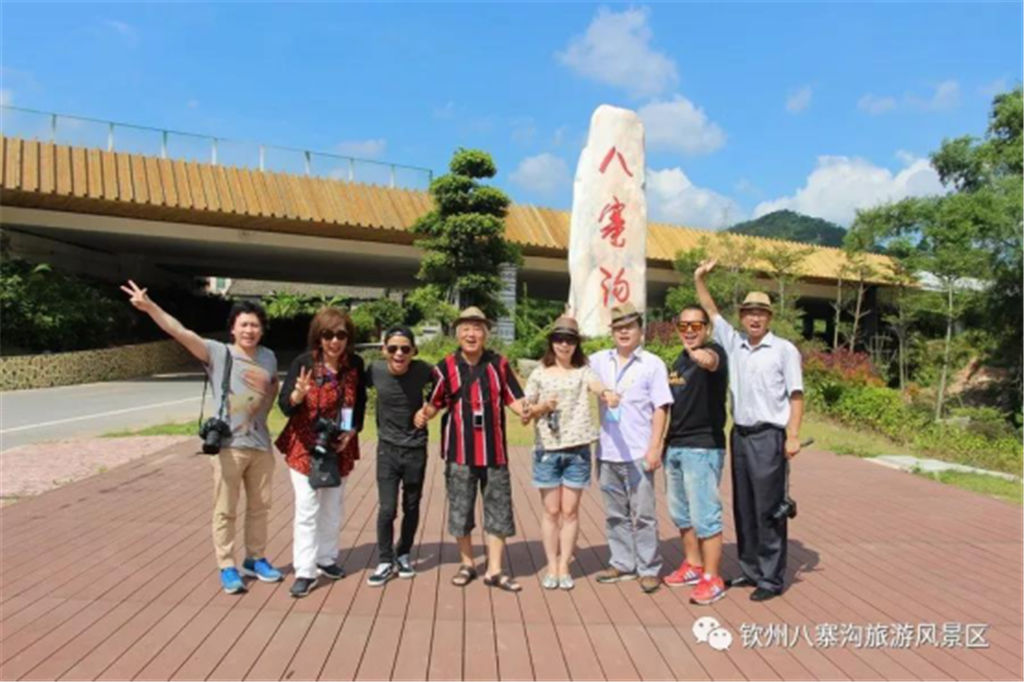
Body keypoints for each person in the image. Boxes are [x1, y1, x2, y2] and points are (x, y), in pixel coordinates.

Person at [121, 281, 282, 594]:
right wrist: (150, 307)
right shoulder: (219, 353)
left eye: (255, 325)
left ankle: (256, 558)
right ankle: (227, 565)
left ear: (262, 330)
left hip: (261, 445)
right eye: (244, 325)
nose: (249, 330)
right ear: (233, 328)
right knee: (225, 509)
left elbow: (271, 390)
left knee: (261, 507)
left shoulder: (269, 357)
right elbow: (181, 332)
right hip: (229, 447)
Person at [694, 259, 804, 601]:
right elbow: (711, 312)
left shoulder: (784, 350)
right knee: (744, 506)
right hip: (740, 435)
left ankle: (771, 579)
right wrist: (699, 278)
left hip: (769, 436)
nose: (755, 318)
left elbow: (796, 395)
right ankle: (751, 569)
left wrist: (793, 435)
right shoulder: (734, 343)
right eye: (749, 313)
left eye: (761, 313)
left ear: (769, 318)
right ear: (742, 317)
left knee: (769, 508)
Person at [415, 306, 527, 592]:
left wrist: (529, 411)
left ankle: (495, 569)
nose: (471, 334)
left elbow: (515, 400)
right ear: (457, 334)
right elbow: (435, 403)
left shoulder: (499, 365)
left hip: (494, 453)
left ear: (486, 334)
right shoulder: (444, 367)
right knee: (460, 510)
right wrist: (423, 414)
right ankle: (467, 564)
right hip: (459, 453)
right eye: (465, 328)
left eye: (477, 328)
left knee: (499, 510)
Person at [522, 316, 618, 591]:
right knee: (551, 511)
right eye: (559, 339)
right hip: (547, 450)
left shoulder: (583, 371)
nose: (564, 345)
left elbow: (597, 386)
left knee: (570, 511)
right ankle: (551, 565)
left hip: (577, 450)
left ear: (577, 344)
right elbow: (526, 412)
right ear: (551, 342)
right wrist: (542, 407)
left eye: (570, 340)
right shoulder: (539, 373)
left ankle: (564, 565)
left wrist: (607, 393)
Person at [276, 307, 366, 598]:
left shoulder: (354, 365)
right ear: (318, 337)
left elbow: (359, 403)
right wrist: (298, 394)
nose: (334, 341)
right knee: (307, 507)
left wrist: (351, 432)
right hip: (305, 445)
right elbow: (285, 406)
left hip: (338, 445)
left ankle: (326, 558)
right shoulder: (304, 363)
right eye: (328, 335)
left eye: (341, 335)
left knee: (333, 505)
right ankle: (305, 570)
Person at [589, 302, 674, 594]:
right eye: (618, 328)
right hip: (607, 452)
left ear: (640, 330)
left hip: (639, 452)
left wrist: (655, 446)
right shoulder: (599, 360)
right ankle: (622, 563)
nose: (624, 333)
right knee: (615, 514)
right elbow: (575, 370)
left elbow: (661, 407)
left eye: (629, 327)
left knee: (644, 515)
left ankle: (648, 568)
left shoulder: (652, 364)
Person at [662, 305, 729, 605]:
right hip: (675, 445)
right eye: (683, 325)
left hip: (702, 446)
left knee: (705, 515)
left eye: (696, 325)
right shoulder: (678, 361)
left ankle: (712, 578)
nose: (689, 331)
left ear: (706, 328)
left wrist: (701, 356)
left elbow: (710, 361)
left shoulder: (715, 352)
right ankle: (693, 564)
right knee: (681, 513)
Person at [364, 325, 434, 586]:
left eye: (405, 349)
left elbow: (445, 389)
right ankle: (385, 560)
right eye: (393, 348)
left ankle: (403, 553)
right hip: (387, 449)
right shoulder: (375, 371)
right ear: (383, 350)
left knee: (411, 506)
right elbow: (350, 389)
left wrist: (429, 408)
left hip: (416, 449)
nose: (399, 354)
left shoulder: (423, 370)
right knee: (387, 508)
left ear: (414, 351)